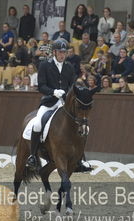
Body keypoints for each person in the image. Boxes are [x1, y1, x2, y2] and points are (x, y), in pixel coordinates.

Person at [26, 38, 90, 172]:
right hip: (49, 102)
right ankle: (32, 156)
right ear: (54, 52)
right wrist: (54, 92)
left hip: (64, 104)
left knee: (81, 125)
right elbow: (41, 86)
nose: (62, 55)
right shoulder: (45, 65)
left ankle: (80, 160)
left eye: (64, 52)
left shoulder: (69, 67)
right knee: (37, 124)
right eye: (60, 52)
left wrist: (69, 94)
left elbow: (72, 86)